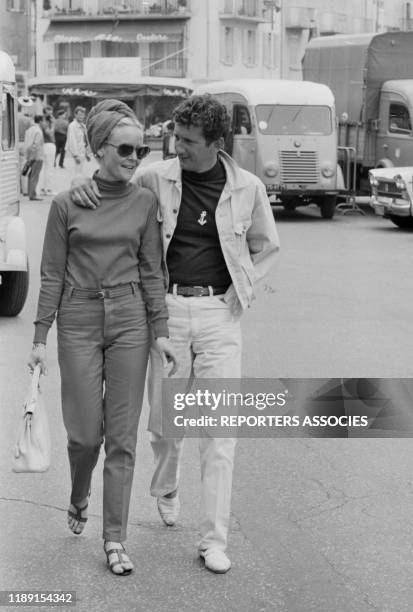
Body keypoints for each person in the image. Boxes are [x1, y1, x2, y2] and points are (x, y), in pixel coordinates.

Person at [70, 94, 280, 574]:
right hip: (164, 313)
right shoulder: (155, 177)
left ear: (215, 143)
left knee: (219, 431)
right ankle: (167, 483)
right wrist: (84, 185)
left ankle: (213, 540)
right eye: (175, 138)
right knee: (165, 425)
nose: (177, 148)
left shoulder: (246, 188)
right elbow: (112, 186)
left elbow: (267, 246)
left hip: (219, 315)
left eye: (187, 142)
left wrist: (243, 289)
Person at [28, 99, 178, 577]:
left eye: (143, 150)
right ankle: (79, 494)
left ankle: (115, 537)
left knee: (122, 438)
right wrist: (38, 338)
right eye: (127, 149)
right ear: (98, 148)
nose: (137, 158)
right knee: (84, 436)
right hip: (78, 317)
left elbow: (153, 271)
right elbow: (51, 274)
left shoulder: (145, 201)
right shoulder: (65, 204)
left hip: (132, 318)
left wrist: (161, 332)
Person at [23, 114, 46, 201]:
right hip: (37, 156)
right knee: (35, 176)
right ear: (40, 121)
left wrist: (28, 157)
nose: (44, 123)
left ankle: (30, 193)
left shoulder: (29, 130)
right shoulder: (38, 131)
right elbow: (35, 145)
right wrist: (32, 157)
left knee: (30, 175)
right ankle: (33, 195)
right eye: (43, 121)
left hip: (29, 155)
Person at [65, 106, 91, 176]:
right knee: (76, 175)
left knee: (80, 174)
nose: (81, 116)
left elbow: (84, 141)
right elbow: (72, 141)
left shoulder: (83, 126)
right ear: (75, 115)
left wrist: (86, 154)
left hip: (82, 153)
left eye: (82, 115)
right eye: (79, 115)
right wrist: (75, 155)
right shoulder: (72, 126)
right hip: (75, 154)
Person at [38, 105, 56, 196]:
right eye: (51, 113)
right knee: (49, 168)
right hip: (48, 145)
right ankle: (48, 189)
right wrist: (53, 124)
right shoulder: (46, 122)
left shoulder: (42, 121)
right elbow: (49, 133)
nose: (52, 115)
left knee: (45, 168)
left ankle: (43, 188)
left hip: (44, 145)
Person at [17, 97, 34, 195]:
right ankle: (25, 190)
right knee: (24, 168)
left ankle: (17, 189)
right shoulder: (28, 120)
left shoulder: (15, 117)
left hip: (15, 144)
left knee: (16, 167)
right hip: (25, 144)